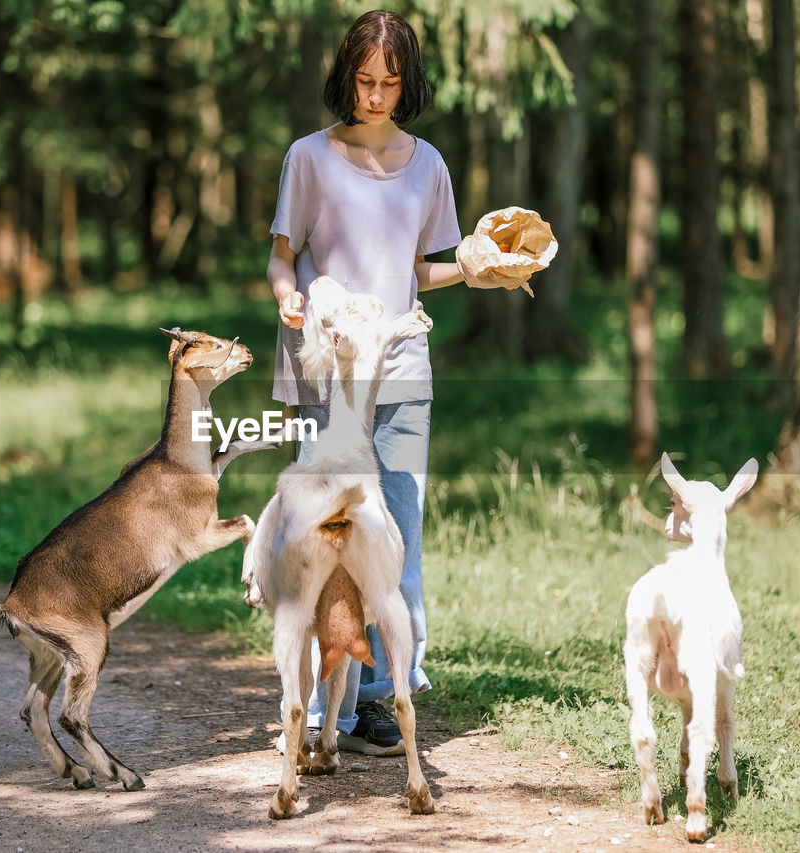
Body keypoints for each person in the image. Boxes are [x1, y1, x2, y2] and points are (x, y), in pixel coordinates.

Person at [268, 9, 529, 756]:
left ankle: (384, 693)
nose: (375, 96)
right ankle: (322, 705)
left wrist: (482, 272)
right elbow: (283, 256)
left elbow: (418, 272)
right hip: (327, 370)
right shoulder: (308, 158)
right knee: (324, 538)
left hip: (402, 372)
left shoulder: (429, 166)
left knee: (398, 538)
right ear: (344, 75)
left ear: (406, 84)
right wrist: (285, 293)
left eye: (389, 83)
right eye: (363, 81)